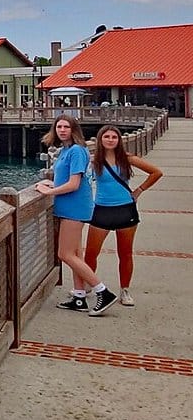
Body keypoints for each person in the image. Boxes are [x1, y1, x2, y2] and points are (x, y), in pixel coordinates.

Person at [34, 114, 118, 316]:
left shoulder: (78, 151)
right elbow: (66, 179)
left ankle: (102, 291)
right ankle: (79, 296)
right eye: (59, 127)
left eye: (66, 127)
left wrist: (49, 192)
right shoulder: (64, 151)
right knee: (76, 253)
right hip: (68, 206)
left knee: (65, 254)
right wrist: (51, 184)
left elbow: (74, 184)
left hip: (75, 208)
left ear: (74, 130)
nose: (62, 130)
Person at [83, 125, 163, 306]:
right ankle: (91, 284)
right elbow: (81, 180)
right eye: (107, 137)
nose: (110, 140)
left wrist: (139, 190)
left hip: (125, 209)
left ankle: (124, 290)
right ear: (100, 139)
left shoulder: (126, 159)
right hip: (101, 210)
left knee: (125, 253)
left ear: (118, 140)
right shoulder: (94, 161)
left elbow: (156, 172)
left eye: (114, 137)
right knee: (90, 253)